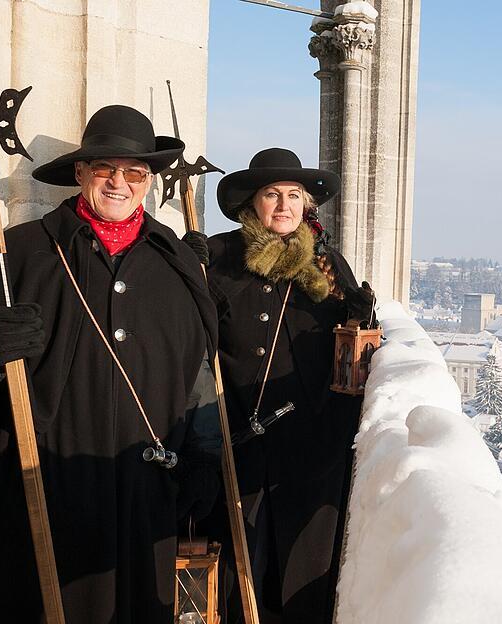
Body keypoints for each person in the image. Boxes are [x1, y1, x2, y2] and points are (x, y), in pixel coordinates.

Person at [0, 104, 222, 623]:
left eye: (134, 172)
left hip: (145, 494)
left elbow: (200, 376)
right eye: (105, 168)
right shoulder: (17, 252)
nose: (119, 182)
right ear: (80, 173)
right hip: (45, 493)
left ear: (148, 181)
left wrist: (199, 464)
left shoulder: (174, 260)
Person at [189, 148, 374, 623]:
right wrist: (186, 274)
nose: (284, 205)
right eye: (272, 194)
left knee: (303, 571)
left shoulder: (328, 265)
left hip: (313, 449)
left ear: (307, 206)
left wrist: (360, 314)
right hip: (240, 444)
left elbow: (353, 343)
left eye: (294, 195)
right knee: (236, 568)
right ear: (253, 203)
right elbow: (189, 334)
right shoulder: (221, 258)